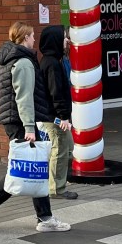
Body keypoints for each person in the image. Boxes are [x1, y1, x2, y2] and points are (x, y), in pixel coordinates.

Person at [0, 22, 71, 234]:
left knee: (33, 166)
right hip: (20, 121)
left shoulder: (13, 58)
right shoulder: (24, 62)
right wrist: (29, 127)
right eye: (32, 35)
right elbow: (24, 97)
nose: (35, 39)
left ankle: (45, 217)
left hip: (16, 119)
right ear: (25, 38)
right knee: (23, 169)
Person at [37, 25, 77, 199]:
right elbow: (56, 92)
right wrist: (63, 116)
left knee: (67, 147)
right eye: (64, 38)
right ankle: (56, 189)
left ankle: (58, 181)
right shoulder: (52, 64)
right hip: (54, 117)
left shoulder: (53, 61)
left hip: (55, 115)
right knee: (60, 149)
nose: (67, 40)